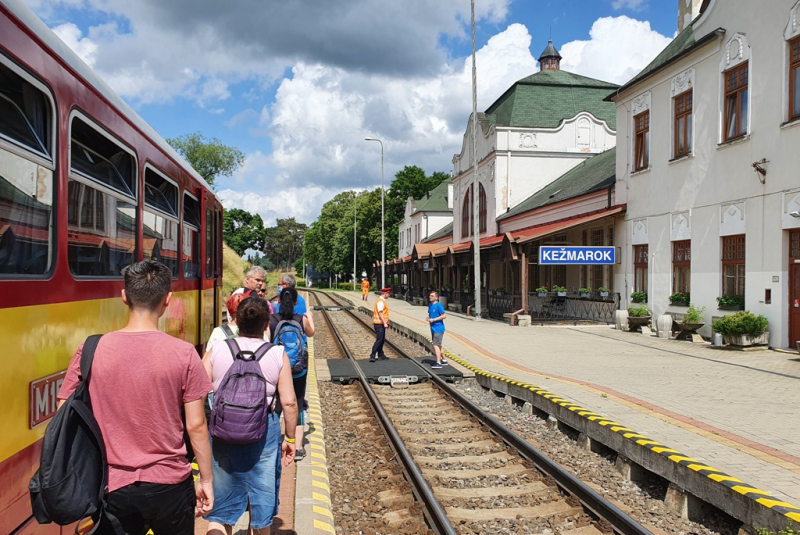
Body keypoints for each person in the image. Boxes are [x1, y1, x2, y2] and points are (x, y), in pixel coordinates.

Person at [56, 260, 214, 534]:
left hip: (110, 485)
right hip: (170, 485)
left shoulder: (91, 349)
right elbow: (196, 425)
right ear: (167, 300)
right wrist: (207, 481)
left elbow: (64, 412)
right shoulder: (184, 353)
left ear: (124, 296)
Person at [203, 297, 298, 535]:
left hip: (223, 429)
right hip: (264, 430)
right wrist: (291, 438)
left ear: (236, 323)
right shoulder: (277, 353)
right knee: (261, 505)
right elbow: (289, 402)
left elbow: (197, 391)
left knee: (219, 510)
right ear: (267, 325)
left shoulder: (218, 349)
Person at [268, 287, 315, 461]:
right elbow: (311, 333)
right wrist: (309, 317)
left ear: (278, 301)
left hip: (278, 369)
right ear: (296, 302)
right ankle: (298, 446)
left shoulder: (272, 320)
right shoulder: (300, 319)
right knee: (299, 403)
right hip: (298, 369)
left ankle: (273, 443)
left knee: (276, 403)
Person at [369, 287, 391, 362]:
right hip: (379, 324)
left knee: (381, 340)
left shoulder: (381, 301)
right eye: (388, 293)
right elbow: (380, 312)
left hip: (380, 323)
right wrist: (385, 323)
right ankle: (372, 355)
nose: (389, 295)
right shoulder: (380, 302)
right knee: (379, 340)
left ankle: (381, 354)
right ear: (385, 294)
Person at [427, 291, 448, 369]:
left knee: (435, 345)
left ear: (436, 297)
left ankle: (438, 362)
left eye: (432, 296)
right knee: (438, 345)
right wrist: (429, 318)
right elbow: (430, 314)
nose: (430, 297)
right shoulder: (430, 305)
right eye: (430, 295)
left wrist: (434, 320)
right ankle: (444, 360)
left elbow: (444, 316)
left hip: (438, 328)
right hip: (433, 328)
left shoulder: (439, 305)